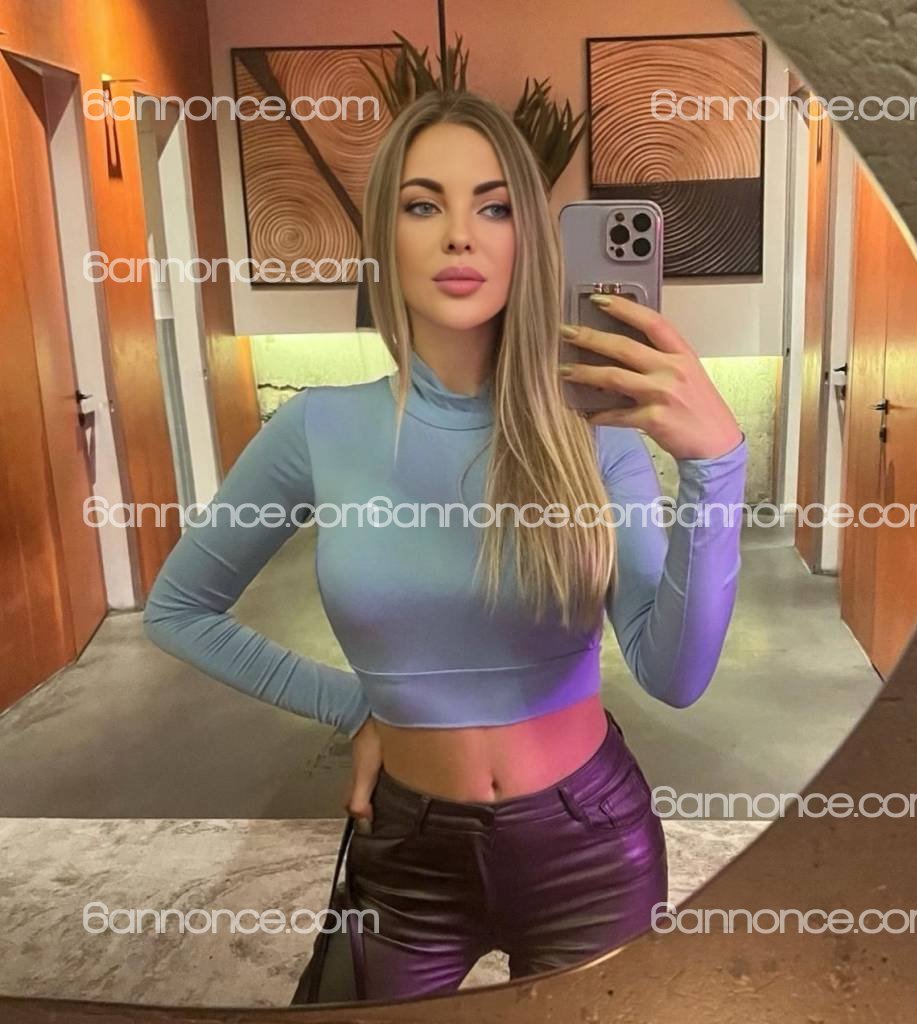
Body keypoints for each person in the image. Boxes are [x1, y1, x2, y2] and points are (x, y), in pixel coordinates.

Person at [143, 89, 748, 1002]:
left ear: (528, 240)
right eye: (423, 205)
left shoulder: (595, 434)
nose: (461, 235)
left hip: (591, 844)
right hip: (407, 851)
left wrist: (717, 468)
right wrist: (356, 708)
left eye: (494, 208)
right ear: (384, 239)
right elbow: (179, 610)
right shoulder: (318, 429)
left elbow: (676, 674)